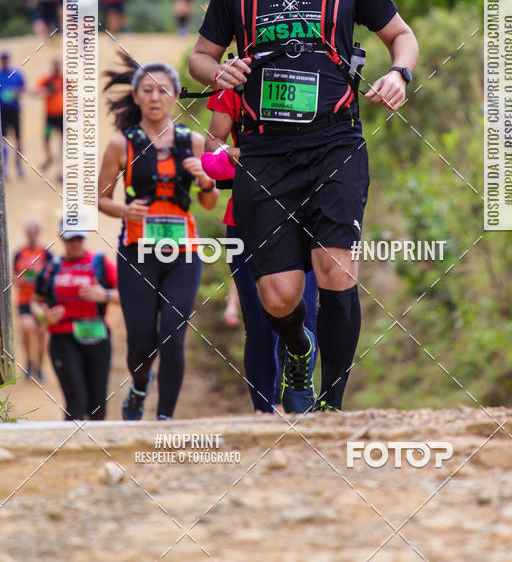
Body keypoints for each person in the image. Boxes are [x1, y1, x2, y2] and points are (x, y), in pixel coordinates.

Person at [189, 0, 418, 413]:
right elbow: (200, 56)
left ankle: (331, 409)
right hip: (263, 152)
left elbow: (401, 36)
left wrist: (398, 74)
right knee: (278, 296)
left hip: (335, 142)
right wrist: (215, 72)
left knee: (336, 270)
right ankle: (298, 347)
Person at [98, 51, 218, 421]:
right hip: (137, 250)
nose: (155, 97)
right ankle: (138, 387)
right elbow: (100, 199)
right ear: (136, 97)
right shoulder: (123, 144)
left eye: (163, 90)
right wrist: (125, 210)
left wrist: (204, 178)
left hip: (183, 252)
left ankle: (164, 417)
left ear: (175, 96)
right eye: (147, 90)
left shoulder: (193, 142)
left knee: (173, 332)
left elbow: (210, 202)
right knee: (141, 341)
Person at [204, 86, 318, 413]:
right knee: (259, 327)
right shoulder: (235, 84)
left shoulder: (315, 73)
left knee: (302, 318)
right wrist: (234, 155)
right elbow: (211, 157)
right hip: (244, 220)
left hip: (301, 219)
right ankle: (263, 415)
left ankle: (300, 408)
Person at [30, 224, 119, 420]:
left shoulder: (100, 263)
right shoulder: (52, 267)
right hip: (63, 337)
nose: (75, 243)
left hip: (97, 335)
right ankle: (71, 447)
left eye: (79, 238)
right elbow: (35, 303)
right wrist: (45, 316)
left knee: (98, 406)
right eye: (71, 239)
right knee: (76, 400)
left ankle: (95, 449)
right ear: (62, 238)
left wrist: (104, 294)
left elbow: (127, 296)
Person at [12, 220, 53, 380]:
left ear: (37, 233)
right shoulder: (19, 253)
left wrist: (40, 279)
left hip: (41, 301)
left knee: (41, 334)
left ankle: (39, 368)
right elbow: (14, 275)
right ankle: (29, 362)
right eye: (28, 232)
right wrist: (18, 280)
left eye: (33, 232)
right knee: (26, 328)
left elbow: (54, 274)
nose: (31, 235)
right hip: (24, 300)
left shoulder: (46, 253)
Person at [0, 50, 26, 179]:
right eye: (3, 58)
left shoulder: (16, 74)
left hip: (14, 111)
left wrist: (16, 92)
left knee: (18, 140)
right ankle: (5, 168)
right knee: (3, 140)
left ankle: (19, 166)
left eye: (6, 58)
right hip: (1, 112)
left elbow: (23, 88)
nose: (4, 60)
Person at [36, 59, 63, 176]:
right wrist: (47, 91)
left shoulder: (64, 80)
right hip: (50, 116)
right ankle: (49, 156)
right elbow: (37, 90)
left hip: (62, 115)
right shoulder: (47, 80)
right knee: (46, 138)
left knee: (62, 143)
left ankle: (60, 171)